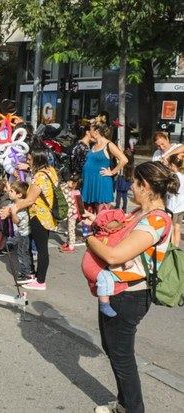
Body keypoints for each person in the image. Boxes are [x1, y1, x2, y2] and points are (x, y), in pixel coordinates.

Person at [85, 162, 177, 413]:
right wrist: (97, 222)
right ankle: (125, 404)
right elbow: (117, 232)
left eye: (134, 183)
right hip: (116, 291)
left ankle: (132, 408)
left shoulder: (157, 220)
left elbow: (115, 256)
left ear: (145, 186)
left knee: (121, 354)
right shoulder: (140, 212)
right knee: (113, 348)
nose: (130, 187)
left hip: (129, 294)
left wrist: (88, 237)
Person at [11, 149, 59, 290]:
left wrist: (12, 208)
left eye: (30, 160)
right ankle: (36, 276)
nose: (28, 162)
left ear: (37, 161)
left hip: (39, 216)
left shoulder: (39, 177)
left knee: (42, 249)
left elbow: (30, 200)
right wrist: (27, 169)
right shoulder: (50, 171)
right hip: (48, 216)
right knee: (41, 247)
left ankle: (40, 281)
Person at [81, 117, 128, 212]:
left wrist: (112, 172)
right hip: (90, 183)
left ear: (96, 131)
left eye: (90, 129)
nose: (89, 132)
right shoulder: (93, 144)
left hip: (101, 183)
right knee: (88, 214)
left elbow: (124, 160)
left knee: (101, 215)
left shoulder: (108, 145)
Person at [1, 181, 31, 283]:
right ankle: (28, 270)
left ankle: (26, 273)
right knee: (24, 253)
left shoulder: (20, 208)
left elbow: (16, 220)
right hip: (21, 232)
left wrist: (13, 213)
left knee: (22, 253)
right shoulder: (16, 203)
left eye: (12, 191)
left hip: (24, 234)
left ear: (19, 194)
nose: (9, 193)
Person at [59, 173, 82, 253]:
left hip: (73, 214)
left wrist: (81, 214)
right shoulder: (65, 188)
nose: (68, 183)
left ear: (75, 184)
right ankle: (68, 242)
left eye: (71, 182)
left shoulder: (76, 192)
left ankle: (71, 246)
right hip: (67, 213)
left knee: (71, 229)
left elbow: (79, 204)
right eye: (68, 181)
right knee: (68, 228)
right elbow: (61, 187)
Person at [167, 153, 184, 246]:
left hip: (173, 207)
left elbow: (171, 191)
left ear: (173, 165)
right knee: (177, 228)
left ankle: (172, 248)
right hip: (182, 206)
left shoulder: (174, 176)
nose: (168, 166)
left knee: (171, 228)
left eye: (169, 165)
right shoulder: (183, 175)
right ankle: (176, 246)